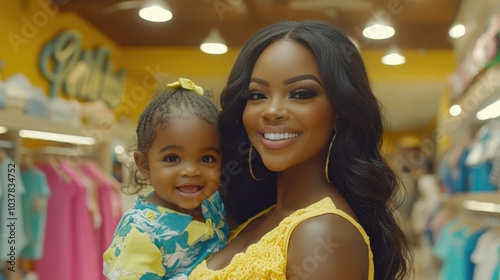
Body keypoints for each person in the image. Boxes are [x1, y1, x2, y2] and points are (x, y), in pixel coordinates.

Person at [189, 20, 411, 280]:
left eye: (301, 93)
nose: (272, 111)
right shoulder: (262, 217)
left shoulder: (322, 233)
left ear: (340, 113)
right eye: (258, 95)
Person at [103, 78, 229, 279]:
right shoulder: (139, 232)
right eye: (172, 158)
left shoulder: (213, 204)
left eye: (207, 158)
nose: (191, 171)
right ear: (144, 165)